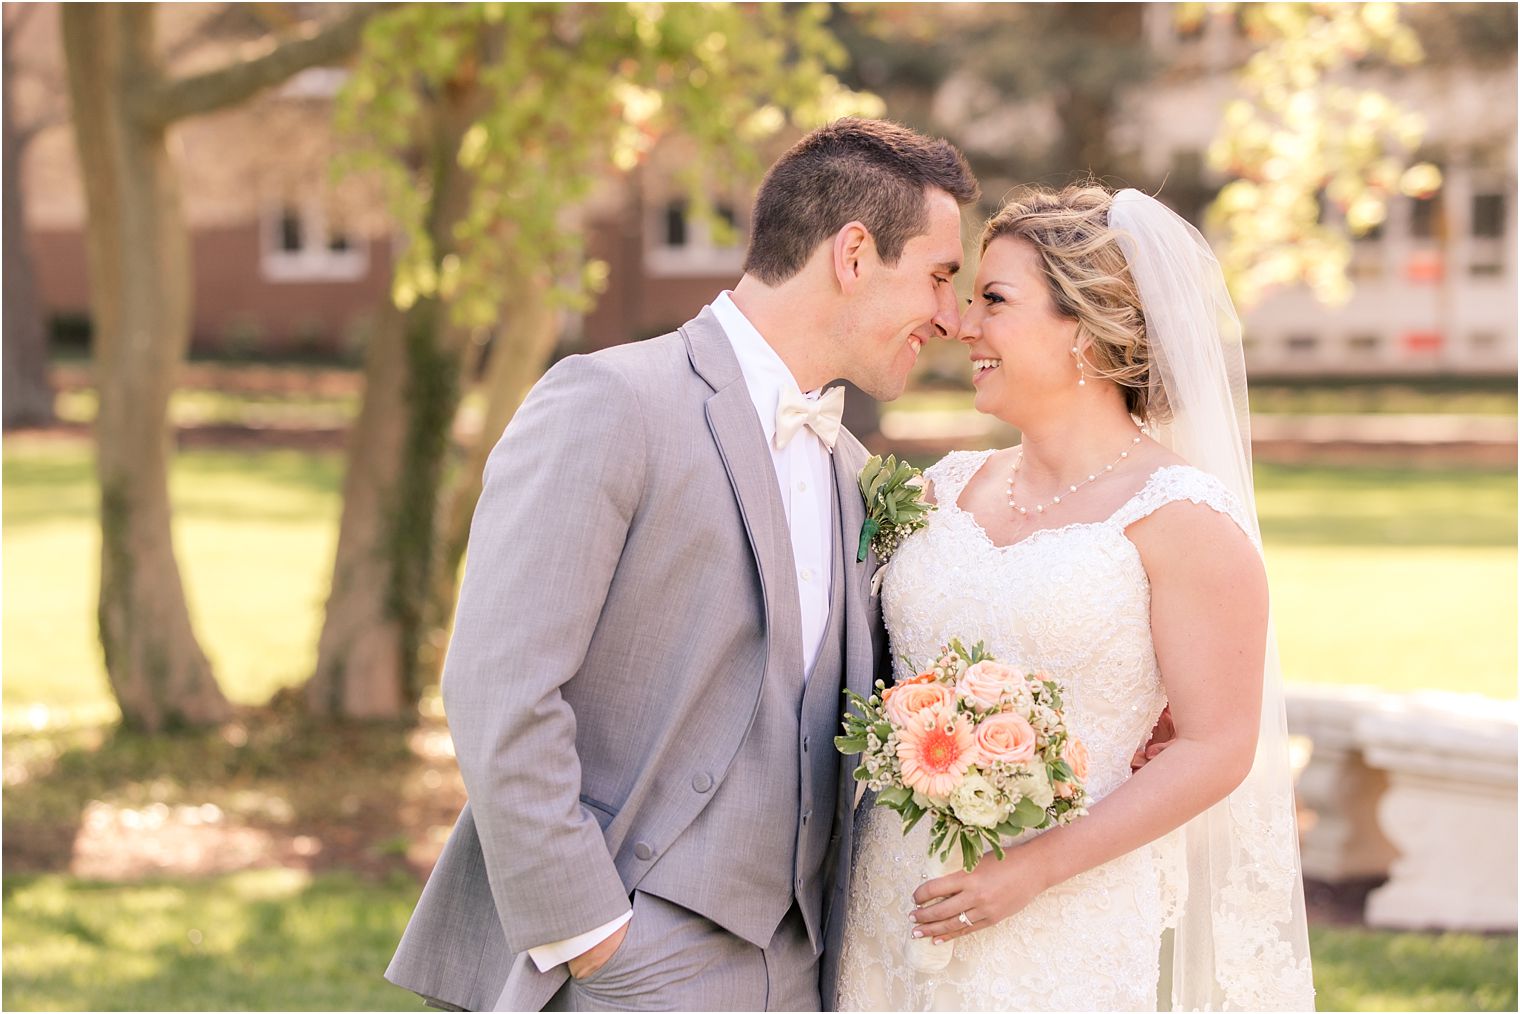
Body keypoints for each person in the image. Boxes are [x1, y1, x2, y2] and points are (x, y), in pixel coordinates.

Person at [383, 118, 979, 1012]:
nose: (950, 315)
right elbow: (499, 684)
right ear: (854, 254)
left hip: (806, 965)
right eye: (939, 275)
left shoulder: (856, 472)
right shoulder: (613, 402)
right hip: (632, 958)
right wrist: (591, 934)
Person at [833, 185, 1316, 1011]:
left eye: (995, 300)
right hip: (890, 900)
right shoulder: (940, 491)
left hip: (1061, 922)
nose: (963, 325)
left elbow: (1216, 747)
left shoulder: (1182, 519)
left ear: (1085, 329)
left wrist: (1031, 870)